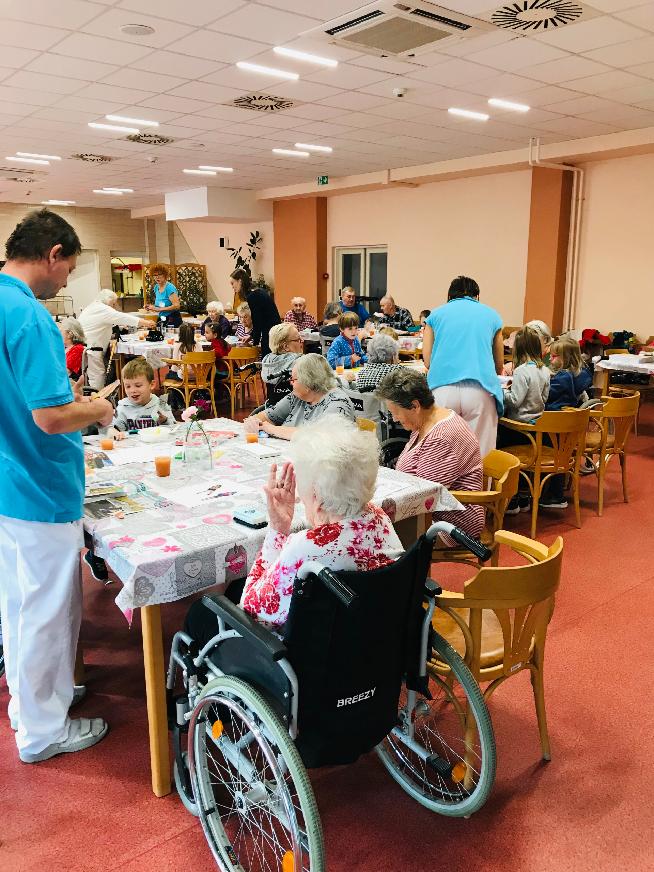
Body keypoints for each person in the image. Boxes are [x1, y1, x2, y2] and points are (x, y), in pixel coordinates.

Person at [0, 208, 114, 763]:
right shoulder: (30, 316)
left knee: (20, 607)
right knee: (47, 613)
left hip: (9, 482)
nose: (66, 279)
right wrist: (98, 408)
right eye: (69, 267)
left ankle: (30, 706)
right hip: (40, 486)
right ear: (52, 254)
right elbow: (50, 416)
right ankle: (44, 731)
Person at [185, 421, 403, 633]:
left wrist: (278, 529)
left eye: (303, 494)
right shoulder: (379, 518)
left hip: (298, 651)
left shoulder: (306, 547)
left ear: (317, 499)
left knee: (199, 613)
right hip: (366, 636)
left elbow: (250, 612)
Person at [376, 368, 484, 547]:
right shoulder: (425, 422)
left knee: (374, 538)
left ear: (415, 406)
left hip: (451, 523)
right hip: (428, 512)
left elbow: (423, 496)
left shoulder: (442, 437)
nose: (394, 419)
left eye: (396, 412)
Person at [422, 275, 504, 458]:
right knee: (481, 455)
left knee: (440, 454)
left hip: (442, 389)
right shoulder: (492, 315)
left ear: (450, 296)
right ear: (477, 296)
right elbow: (499, 364)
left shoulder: (435, 316)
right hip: (480, 390)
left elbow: (427, 361)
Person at [244, 353, 354, 440]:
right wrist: (254, 422)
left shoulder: (338, 402)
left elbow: (320, 436)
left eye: (293, 379)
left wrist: (270, 428)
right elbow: (267, 417)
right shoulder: (297, 397)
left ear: (308, 382)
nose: (290, 382)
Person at [78, 289, 150, 390]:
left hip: (85, 344)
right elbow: (122, 317)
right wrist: (146, 322)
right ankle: (97, 396)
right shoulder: (103, 309)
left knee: (90, 375)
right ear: (109, 301)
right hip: (93, 347)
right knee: (97, 375)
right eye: (113, 303)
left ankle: (94, 394)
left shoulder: (93, 307)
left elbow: (103, 323)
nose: (114, 306)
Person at [107, 357, 174, 436]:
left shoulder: (160, 404)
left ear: (152, 385)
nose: (132, 390)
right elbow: (114, 429)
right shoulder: (123, 408)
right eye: (128, 386)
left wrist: (165, 421)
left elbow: (173, 428)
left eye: (138, 385)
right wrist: (114, 432)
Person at [245, 276, 281, 358]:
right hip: (273, 333)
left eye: (233, 283)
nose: (232, 287)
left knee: (267, 359)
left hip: (270, 335)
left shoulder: (253, 296)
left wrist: (255, 343)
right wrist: (252, 336)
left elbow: (257, 321)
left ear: (240, 281)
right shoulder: (261, 293)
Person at [261, 322, 303, 387]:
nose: (302, 340)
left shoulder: (267, 363)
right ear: (286, 346)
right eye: (298, 339)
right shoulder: (302, 364)